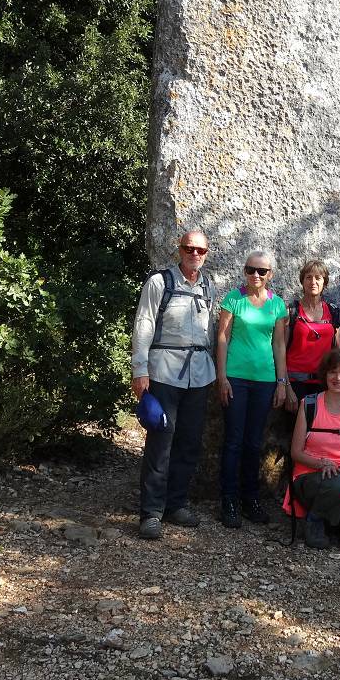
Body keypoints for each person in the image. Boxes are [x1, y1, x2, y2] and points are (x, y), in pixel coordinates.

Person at [131, 230, 215, 540]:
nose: (195, 254)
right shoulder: (159, 282)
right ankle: (151, 512)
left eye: (200, 250)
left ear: (206, 253)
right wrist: (139, 370)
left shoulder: (208, 286)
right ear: (179, 250)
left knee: (189, 443)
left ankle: (176, 504)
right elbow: (143, 324)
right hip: (164, 372)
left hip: (200, 375)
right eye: (189, 248)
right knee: (160, 443)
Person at [216, 250, 288, 529]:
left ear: (270, 275)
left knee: (254, 442)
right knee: (233, 440)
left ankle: (250, 498)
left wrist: (282, 382)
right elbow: (222, 337)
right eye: (250, 269)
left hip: (264, 380)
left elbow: (279, 345)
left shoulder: (278, 305)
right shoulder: (233, 299)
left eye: (262, 271)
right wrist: (221, 377)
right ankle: (229, 500)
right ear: (244, 271)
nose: (255, 275)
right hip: (235, 377)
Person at [285, 348, 340, 550]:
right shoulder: (309, 404)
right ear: (325, 374)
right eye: (333, 372)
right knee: (338, 485)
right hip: (310, 477)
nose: (338, 378)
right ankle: (315, 521)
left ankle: (336, 522)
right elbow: (296, 452)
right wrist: (322, 463)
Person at [284, 259, 340, 410]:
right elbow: (280, 351)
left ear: (324, 282)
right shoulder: (291, 311)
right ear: (302, 281)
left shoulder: (334, 312)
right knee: (296, 430)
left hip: (324, 383)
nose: (313, 282)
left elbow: (338, 351)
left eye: (318, 278)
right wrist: (286, 387)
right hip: (295, 383)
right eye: (308, 277)